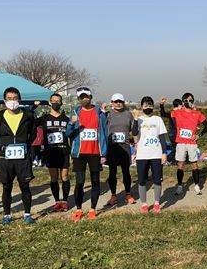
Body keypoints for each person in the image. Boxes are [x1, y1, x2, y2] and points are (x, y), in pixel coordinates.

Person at [0, 87, 37, 225]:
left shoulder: (28, 115)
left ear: (19, 100)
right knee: (6, 187)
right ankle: (7, 215)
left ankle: (27, 214)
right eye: (9, 99)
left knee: (25, 186)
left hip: (22, 157)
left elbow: (33, 133)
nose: (12, 101)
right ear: (4, 100)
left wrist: (26, 145)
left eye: (15, 98)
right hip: (6, 158)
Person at [66, 87, 108, 221]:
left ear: (91, 97)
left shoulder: (99, 114)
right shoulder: (75, 113)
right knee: (80, 182)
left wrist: (104, 153)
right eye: (81, 97)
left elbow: (104, 134)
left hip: (95, 152)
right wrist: (71, 123)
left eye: (86, 96)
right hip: (79, 153)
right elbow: (67, 133)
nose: (84, 99)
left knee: (95, 181)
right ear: (78, 99)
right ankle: (79, 209)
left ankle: (92, 209)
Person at [160, 92, 207, 196]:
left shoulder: (197, 113)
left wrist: (199, 135)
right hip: (181, 142)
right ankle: (179, 186)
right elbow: (163, 114)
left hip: (192, 143)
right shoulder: (177, 112)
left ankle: (197, 185)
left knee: (194, 164)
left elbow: (206, 126)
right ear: (183, 102)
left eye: (190, 100)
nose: (188, 102)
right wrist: (161, 105)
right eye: (186, 100)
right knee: (180, 164)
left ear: (193, 101)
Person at [131, 96, 169, 214]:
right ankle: (144, 204)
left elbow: (162, 137)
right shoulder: (139, 119)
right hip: (142, 155)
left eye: (150, 105)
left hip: (156, 154)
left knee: (157, 180)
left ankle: (157, 203)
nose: (148, 107)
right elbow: (134, 133)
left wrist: (164, 153)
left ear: (153, 106)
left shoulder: (158, 119)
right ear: (142, 107)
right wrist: (135, 119)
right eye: (146, 105)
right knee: (142, 180)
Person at [37, 93, 71, 212]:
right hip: (50, 152)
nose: (56, 103)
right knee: (54, 177)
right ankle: (57, 201)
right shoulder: (44, 118)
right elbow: (30, 121)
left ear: (61, 103)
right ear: (50, 102)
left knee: (65, 176)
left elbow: (71, 133)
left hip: (64, 151)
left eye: (58, 101)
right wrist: (34, 107)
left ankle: (65, 201)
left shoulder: (66, 119)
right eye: (54, 100)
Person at [105, 93, 136, 207]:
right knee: (112, 172)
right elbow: (103, 130)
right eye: (116, 101)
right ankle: (113, 195)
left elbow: (134, 131)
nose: (118, 103)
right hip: (112, 148)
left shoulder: (128, 114)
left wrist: (136, 120)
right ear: (112, 103)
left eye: (120, 101)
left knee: (126, 171)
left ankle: (128, 194)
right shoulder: (108, 114)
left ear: (123, 102)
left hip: (125, 147)